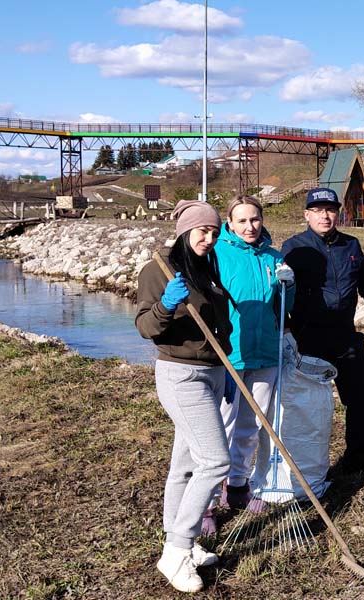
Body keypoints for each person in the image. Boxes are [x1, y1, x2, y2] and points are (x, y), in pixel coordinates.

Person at [135, 200, 231, 593]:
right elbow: (145, 326)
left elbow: (219, 325)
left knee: (185, 465)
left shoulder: (207, 269)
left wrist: (223, 375)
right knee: (216, 461)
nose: (209, 239)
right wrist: (166, 304)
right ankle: (176, 552)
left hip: (211, 374)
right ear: (184, 231)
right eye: (201, 232)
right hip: (181, 374)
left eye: (213, 232)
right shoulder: (159, 271)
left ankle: (180, 542)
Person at [281, 187, 364, 472]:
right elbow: (280, 295)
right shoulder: (294, 248)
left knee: (360, 396)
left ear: (338, 213)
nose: (325, 216)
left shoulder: (351, 245)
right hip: (308, 337)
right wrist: (283, 331)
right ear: (307, 214)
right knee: (310, 403)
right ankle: (307, 461)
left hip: (345, 335)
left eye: (330, 210)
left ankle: (357, 458)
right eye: (318, 211)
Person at [203, 195, 295, 528]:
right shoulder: (217, 255)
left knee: (252, 425)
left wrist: (289, 285)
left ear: (262, 219)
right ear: (229, 223)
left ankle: (238, 484)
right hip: (231, 354)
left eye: (254, 219)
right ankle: (209, 501)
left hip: (266, 352)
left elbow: (284, 308)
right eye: (241, 220)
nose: (249, 226)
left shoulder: (273, 256)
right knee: (221, 426)